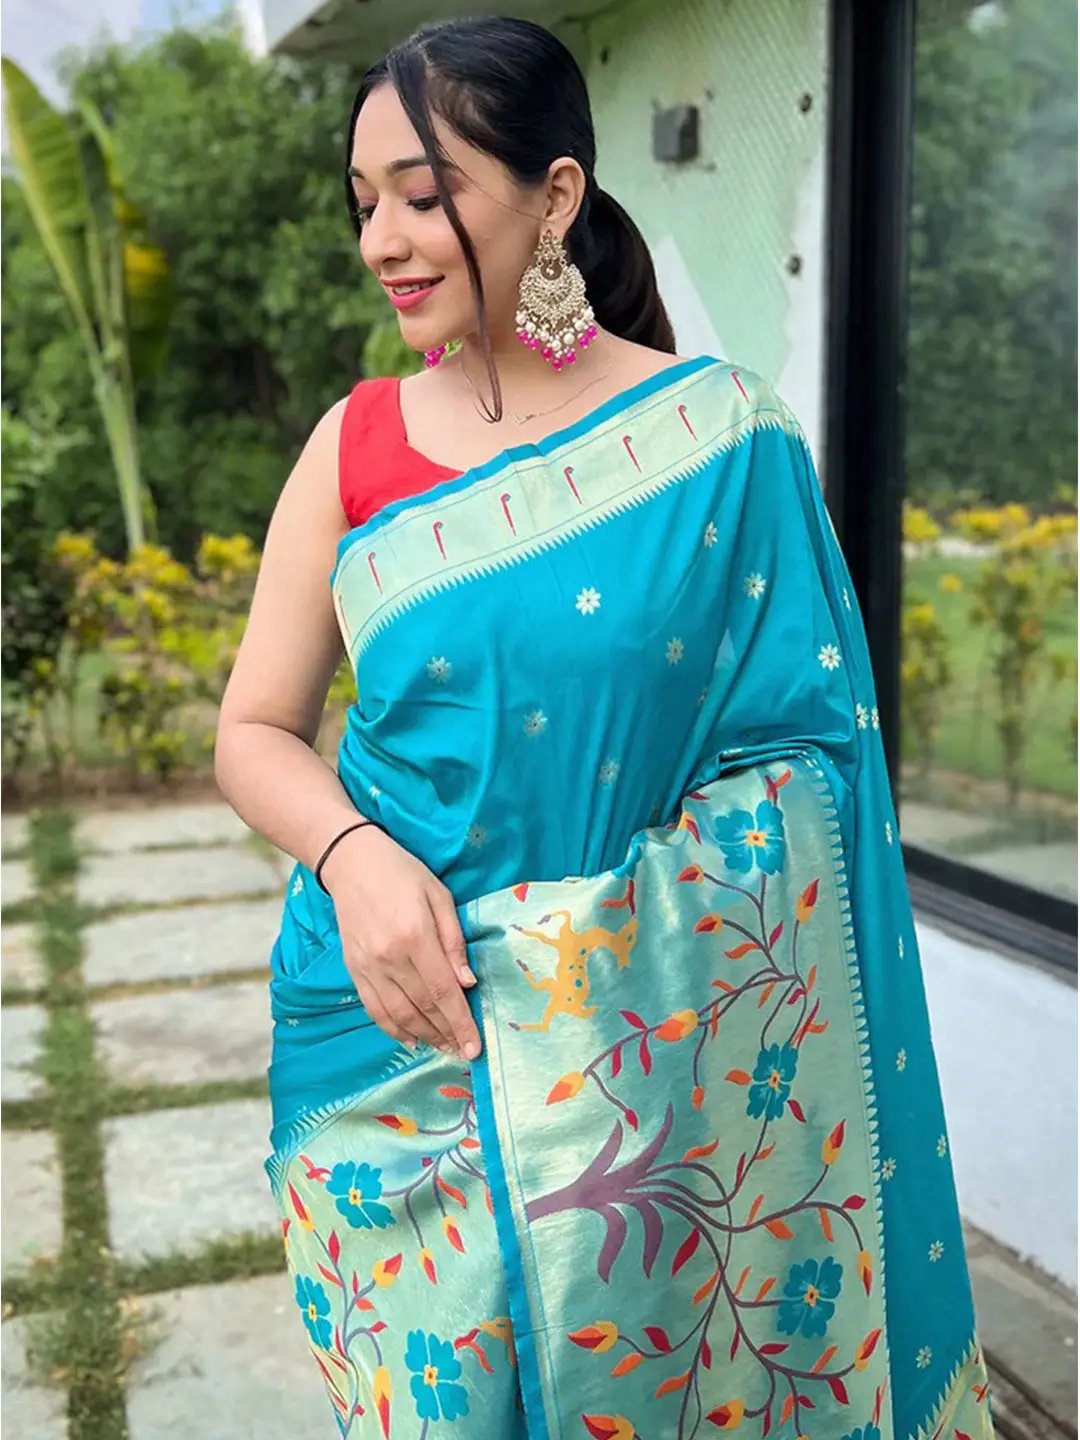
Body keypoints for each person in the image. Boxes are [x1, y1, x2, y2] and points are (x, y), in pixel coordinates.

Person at [215, 15, 995, 1440]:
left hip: (646, 1067)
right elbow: (255, 729)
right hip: (384, 1037)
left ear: (555, 196)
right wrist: (352, 858)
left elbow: (810, 774)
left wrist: (584, 952)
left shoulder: (721, 443)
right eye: (363, 199)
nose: (383, 237)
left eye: (422, 191)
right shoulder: (355, 445)